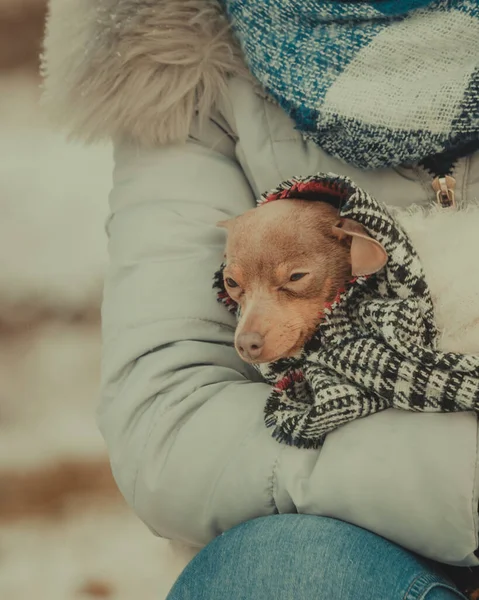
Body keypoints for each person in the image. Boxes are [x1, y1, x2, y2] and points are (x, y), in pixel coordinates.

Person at [42, 1, 479, 598]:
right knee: (274, 574)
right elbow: (172, 429)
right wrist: (465, 488)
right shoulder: (179, 57)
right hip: (357, 533)